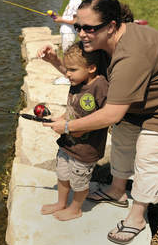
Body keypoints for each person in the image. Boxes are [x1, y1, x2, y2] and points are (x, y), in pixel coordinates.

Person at [38, 0, 158, 245]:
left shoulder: (131, 54)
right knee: (123, 136)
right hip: (144, 99)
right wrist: (55, 61)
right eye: (78, 27)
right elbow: (86, 78)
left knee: (151, 153)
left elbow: (112, 113)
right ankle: (116, 191)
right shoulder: (100, 44)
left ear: (112, 26)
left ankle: (137, 216)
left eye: (89, 28)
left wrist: (67, 126)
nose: (82, 33)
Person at [39, 42, 109, 221]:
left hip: (85, 149)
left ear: (91, 68)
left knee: (79, 182)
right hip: (67, 144)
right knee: (62, 174)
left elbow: (106, 115)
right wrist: (62, 118)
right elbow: (73, 108)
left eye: (72, 69)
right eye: (67, 69)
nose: (67, 73)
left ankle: (75, 208)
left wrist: (68, 127)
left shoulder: (100, 86)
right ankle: (61, 203)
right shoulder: (78, 80)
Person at [52, 0, 93, 85]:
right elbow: (69, 17)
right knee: (66, 53)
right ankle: (67, 75)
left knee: (67, 54)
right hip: (65, 31)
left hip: (70, 32)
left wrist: (61, 19)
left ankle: (68, 77)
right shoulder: (72, 0)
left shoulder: (78, 2)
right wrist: (58, 17)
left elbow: (75, 21)